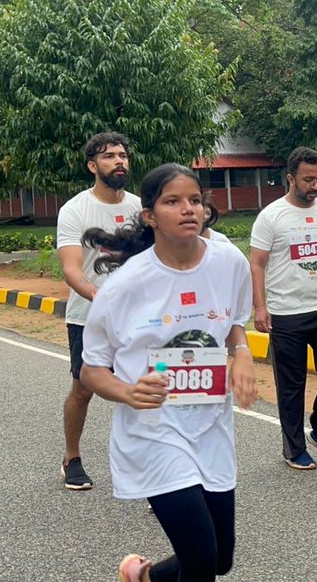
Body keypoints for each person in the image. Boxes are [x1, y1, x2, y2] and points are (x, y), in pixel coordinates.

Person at [79, 163, 258, 582]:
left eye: (195, 200)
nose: (188, 209)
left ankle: (143, 578)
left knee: (219, 560)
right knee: (199, 563)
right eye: (172, 201)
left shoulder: (228, 261)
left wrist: (242, 351)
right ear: (150, 215)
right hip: (153, 431)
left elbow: (235, 321)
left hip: (210, 426)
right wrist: (126, 393)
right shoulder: (124, 287)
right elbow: (91, 370)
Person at [248, 147, 317, 470]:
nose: (315, 185)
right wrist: (260, 307)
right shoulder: (271, 216)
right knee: (291, 384)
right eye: (308, 179)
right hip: (285, 313)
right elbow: (257, 263)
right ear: (290, 178)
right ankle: (294, 448)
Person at [55, 131, 142, 490]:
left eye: (123, 155)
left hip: (139, 319)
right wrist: (99, 296)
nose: (119, 161)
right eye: (109, 156)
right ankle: (72, 457)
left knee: (143, 389)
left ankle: (151, 471)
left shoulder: (141, 207)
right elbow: (72, 268)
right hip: (88, 317)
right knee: (83, 389)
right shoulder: (75, 209)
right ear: (93, 166)